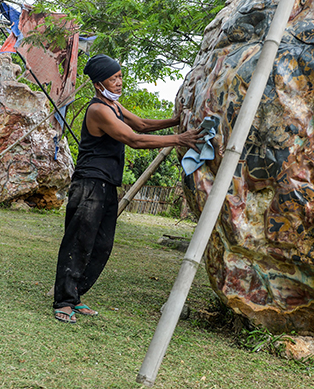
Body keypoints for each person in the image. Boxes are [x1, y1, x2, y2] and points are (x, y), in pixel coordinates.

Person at [52, 54, 204, 324]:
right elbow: (133, 139)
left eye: (121, 76)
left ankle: (74, 295)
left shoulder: (116, 107)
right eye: (114, 78)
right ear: (99, 84)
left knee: (102, 246)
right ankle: (63, 300)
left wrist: (178, 120)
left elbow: (143, 125)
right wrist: (179, 139)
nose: (120, 82)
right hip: (89, 184)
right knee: (79, 242)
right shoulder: (98, 110)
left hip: (107, 184)